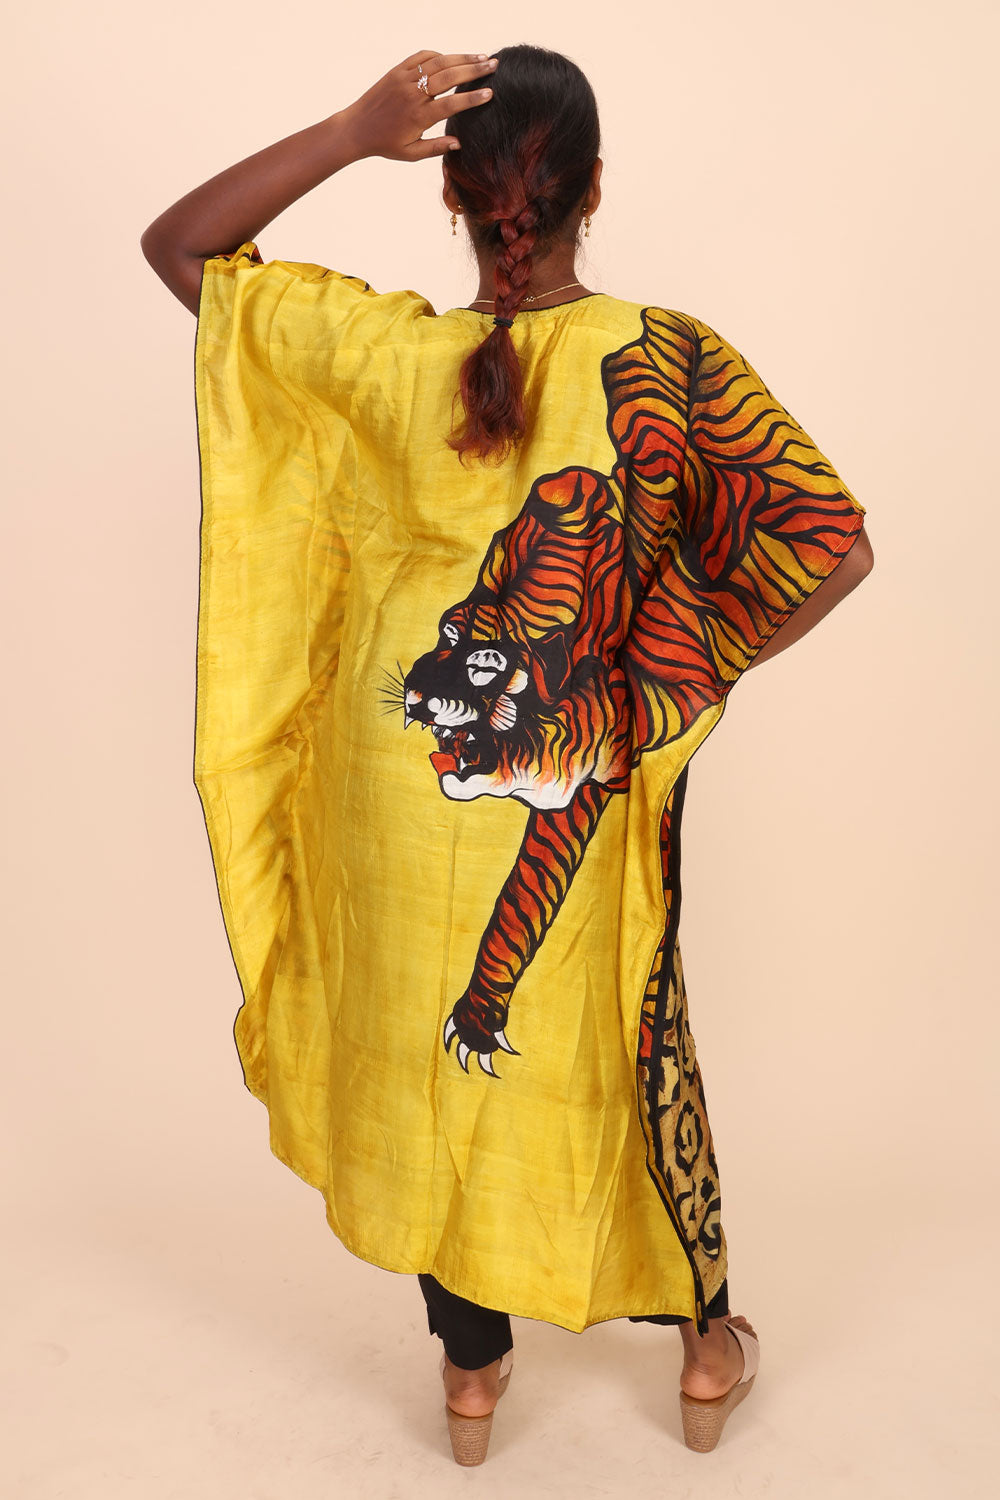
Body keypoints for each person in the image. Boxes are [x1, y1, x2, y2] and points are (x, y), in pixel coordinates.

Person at [141, 43, 874, 1467]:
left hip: (389, 790)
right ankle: (704, 1351)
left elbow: (183, 247)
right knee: (618, 1041)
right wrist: (662, 684)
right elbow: (828, 549)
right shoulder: (666, 356)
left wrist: (352, 130)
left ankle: (471, 1372)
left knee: (435, 1063)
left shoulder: (383, 353)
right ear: (593, 189)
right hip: (573, 779)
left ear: (456, 202)